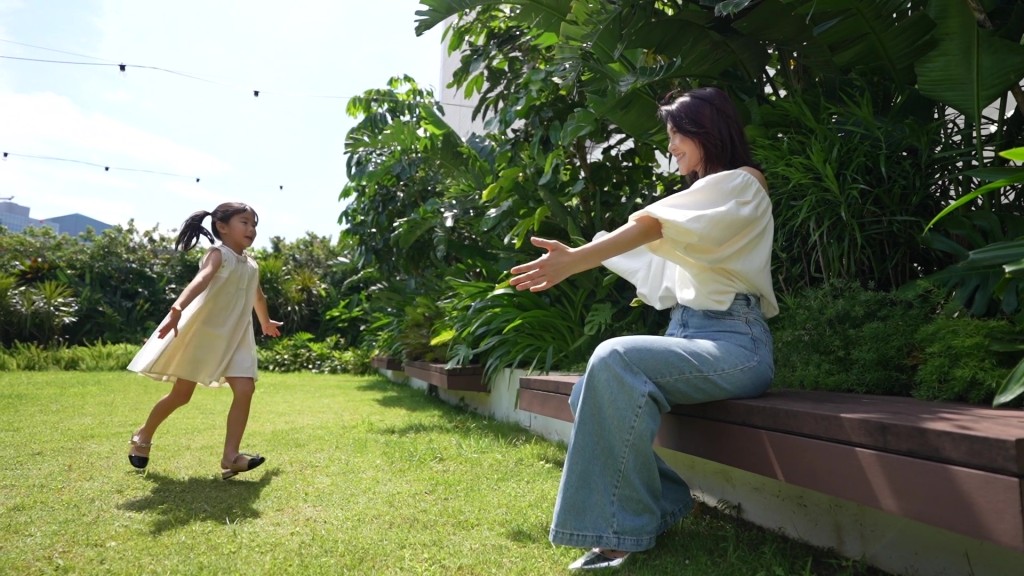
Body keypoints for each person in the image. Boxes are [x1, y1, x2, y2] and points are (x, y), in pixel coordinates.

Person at [509, 87, 778, 570]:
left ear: (706, 132)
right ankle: (670, 499)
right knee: (588, 391)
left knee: (615, 358)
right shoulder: (705, 199)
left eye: (677, 134)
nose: (670, 145)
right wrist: (584, 251)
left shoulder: (743, 182)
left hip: (736, 343)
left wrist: (576, 262)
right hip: (688, 335)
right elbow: (651, 238)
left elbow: (656, 227)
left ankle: (620, 534)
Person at [126, 202, 282, 480]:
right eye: (244, 223)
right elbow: (202, 279)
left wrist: (265, 322)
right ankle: (143, 434)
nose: (251, 229)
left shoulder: (251, 264)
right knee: (181, 395)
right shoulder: (218, 254)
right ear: (222, 227)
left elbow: (258, 296)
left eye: (254, 224)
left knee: (245, 389)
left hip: (237, 336)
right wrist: (177, 308)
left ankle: (231, 457)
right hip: (205, 333)